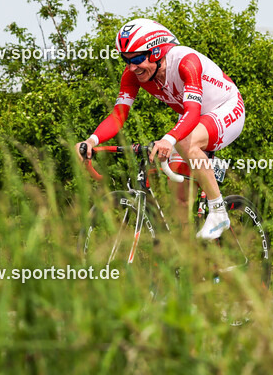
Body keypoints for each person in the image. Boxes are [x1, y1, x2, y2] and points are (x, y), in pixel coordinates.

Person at [76, 18, 245, 239]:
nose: (132, 67)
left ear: (156, 52)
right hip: (190, 118)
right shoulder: (132, 76)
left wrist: (169, 138)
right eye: (126, 60)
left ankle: (218, 211)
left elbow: (193, 111)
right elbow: (118, 115)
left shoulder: (186, 61)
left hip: (226, 108)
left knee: (186, 142)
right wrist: (91, 141)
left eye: (137, 58)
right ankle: (190, 260)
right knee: (179, 197)